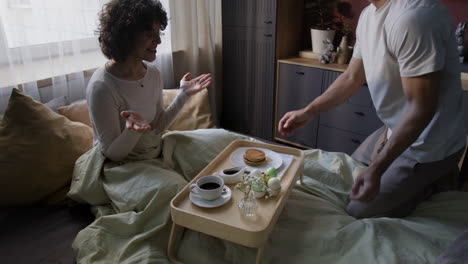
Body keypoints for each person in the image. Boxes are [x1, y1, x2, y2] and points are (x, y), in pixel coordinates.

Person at [278, 0, 466, 218]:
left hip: (429, 143)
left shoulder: (414, 19)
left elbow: (421, 109)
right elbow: (352, 77)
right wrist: (309, 111)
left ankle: (437, 178)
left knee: (359, 210)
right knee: (350, 175)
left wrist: (377, 168)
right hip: (394, 127)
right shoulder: (369, 15)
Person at [87, 0, 212, 162]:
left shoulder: (152, 73)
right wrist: (132, 132)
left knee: (223, 143)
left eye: (158, 33)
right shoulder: (102, 87)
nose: (158, 41)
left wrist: (183, 95)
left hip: (152, 149)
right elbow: (112, 153)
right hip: (120, 166)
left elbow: (157, 129)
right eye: (149, 34)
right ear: (126, 36)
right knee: (176, 187)